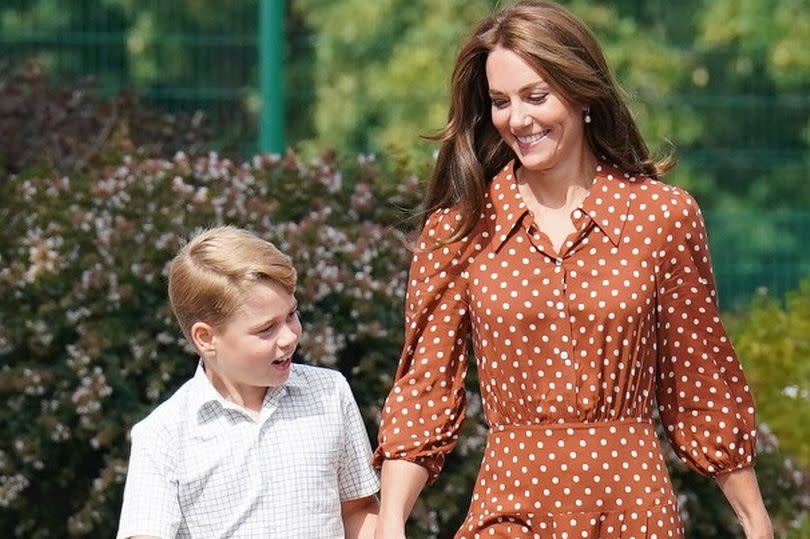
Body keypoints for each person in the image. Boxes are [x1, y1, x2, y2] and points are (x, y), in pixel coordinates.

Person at [372, 1, 773, 538]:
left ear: (583, 93)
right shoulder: (459, 230)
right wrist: (392, 520)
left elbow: (698, 380)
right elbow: (426, 388)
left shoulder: (663, 217)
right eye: (500, 102)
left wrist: (754, 519)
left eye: (537, 96)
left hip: (635, 509)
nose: (518, 119)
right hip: (508, 506)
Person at [117, 226, 380, 539]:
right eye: (265, 329)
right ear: (206, 338)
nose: (289, 336)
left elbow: (358, 508)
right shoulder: (163, 435)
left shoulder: (329, 393)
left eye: (292, 314)